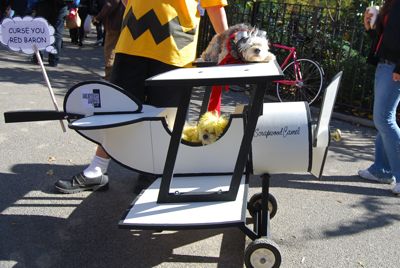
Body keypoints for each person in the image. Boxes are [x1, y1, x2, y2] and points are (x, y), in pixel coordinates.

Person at [54, 0, 229, 194]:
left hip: (174, 45)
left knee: (165, 116)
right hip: (133, 40)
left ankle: (154, 170)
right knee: (117, 109)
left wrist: (229, 46)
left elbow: (214, 5)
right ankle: (98, 168)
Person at [359, 0, 400, 195]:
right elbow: (384, 38)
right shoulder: (391, 3)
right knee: (384, 119)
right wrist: (370, 26)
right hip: (385, 65)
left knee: (384, 119)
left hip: (394, 67)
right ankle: (381, 169)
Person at [91, 0, 124, 80]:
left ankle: (109, 76)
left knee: (110, 51)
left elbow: (110, 4)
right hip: (124, 23)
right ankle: (117, 76)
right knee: (119, 51)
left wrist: (97, 18)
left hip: (114, 24)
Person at [30, 0, 70, 67]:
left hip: (43, 4)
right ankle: (54, 60)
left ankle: (38, 58)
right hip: (61, 5)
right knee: (57, 33)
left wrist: (32, 6)